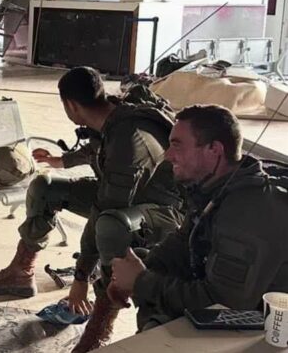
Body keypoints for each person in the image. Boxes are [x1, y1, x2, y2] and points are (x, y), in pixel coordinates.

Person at [0, 66, 184, 352]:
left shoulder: (129, 137)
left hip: (162, 212)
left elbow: (106, 208)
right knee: (45, 187)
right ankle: (21, 273)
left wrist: (81, 278)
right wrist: (62, 161)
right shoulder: (113, 114)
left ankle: (100, 326)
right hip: (127, 197)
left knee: (110, 227)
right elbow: (98, 148)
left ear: (71, 105)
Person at [111, 105, 288, 331]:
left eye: (177, 145)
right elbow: (184, 241)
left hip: (268, 325)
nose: (168, 155)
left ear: (214, 150)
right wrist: (137, 271)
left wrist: (141, 281)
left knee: (158, 326)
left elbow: (221, 306)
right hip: (235, 298)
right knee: (147, 260)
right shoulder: (218, 187)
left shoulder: (247, 212)